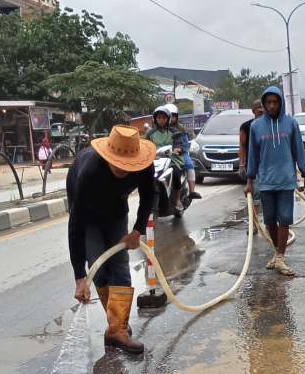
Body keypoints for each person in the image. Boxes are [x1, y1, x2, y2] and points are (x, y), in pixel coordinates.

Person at [67, 126, 157, 354]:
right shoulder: (89, 171)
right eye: (116, 163)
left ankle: (117, 329)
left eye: (127, 165)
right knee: (98, 263)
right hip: (87, 214)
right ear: (108, 157)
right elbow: (76, 225)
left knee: (119, 262)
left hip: (117, 209)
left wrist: (137, 230)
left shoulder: (144, 165)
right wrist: (79, 276)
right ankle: (116, 326)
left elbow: (149, 196)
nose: (121, 168)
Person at [246, 85, 305, 276]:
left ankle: (280, 258)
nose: (272, 106)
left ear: (281, 103)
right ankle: (277, 253)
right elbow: (253, 155)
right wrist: (249, 180)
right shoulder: (256, 127)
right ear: (264, 104)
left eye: (275, 102)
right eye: (268, 102)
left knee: (284, 219)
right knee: (269, 221)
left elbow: (298, 149)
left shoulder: (291, 124)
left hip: (286, 180)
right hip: (265, 181)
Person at [145, 105, 185, 213]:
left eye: (164, 118)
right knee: (145, 175)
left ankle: (177, 200)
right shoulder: (150, 133)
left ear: (167, 119)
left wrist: (177, 149)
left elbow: (179, 145)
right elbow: (146, 146)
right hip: (155, 160)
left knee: (176, 173)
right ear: (155, 119)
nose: (161, 120)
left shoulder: (174, 131)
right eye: (159, 118)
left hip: (171, 159)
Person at [167, 105, 203, 201]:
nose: (171, 118)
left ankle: (191, 191)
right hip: (164, 154)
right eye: (169, 116)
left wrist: (180, 150)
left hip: (180, 153)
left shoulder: (181, 129)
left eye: (173, 116)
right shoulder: (159, 129)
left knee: (189, 165)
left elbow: (186, 142)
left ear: (176, 117)